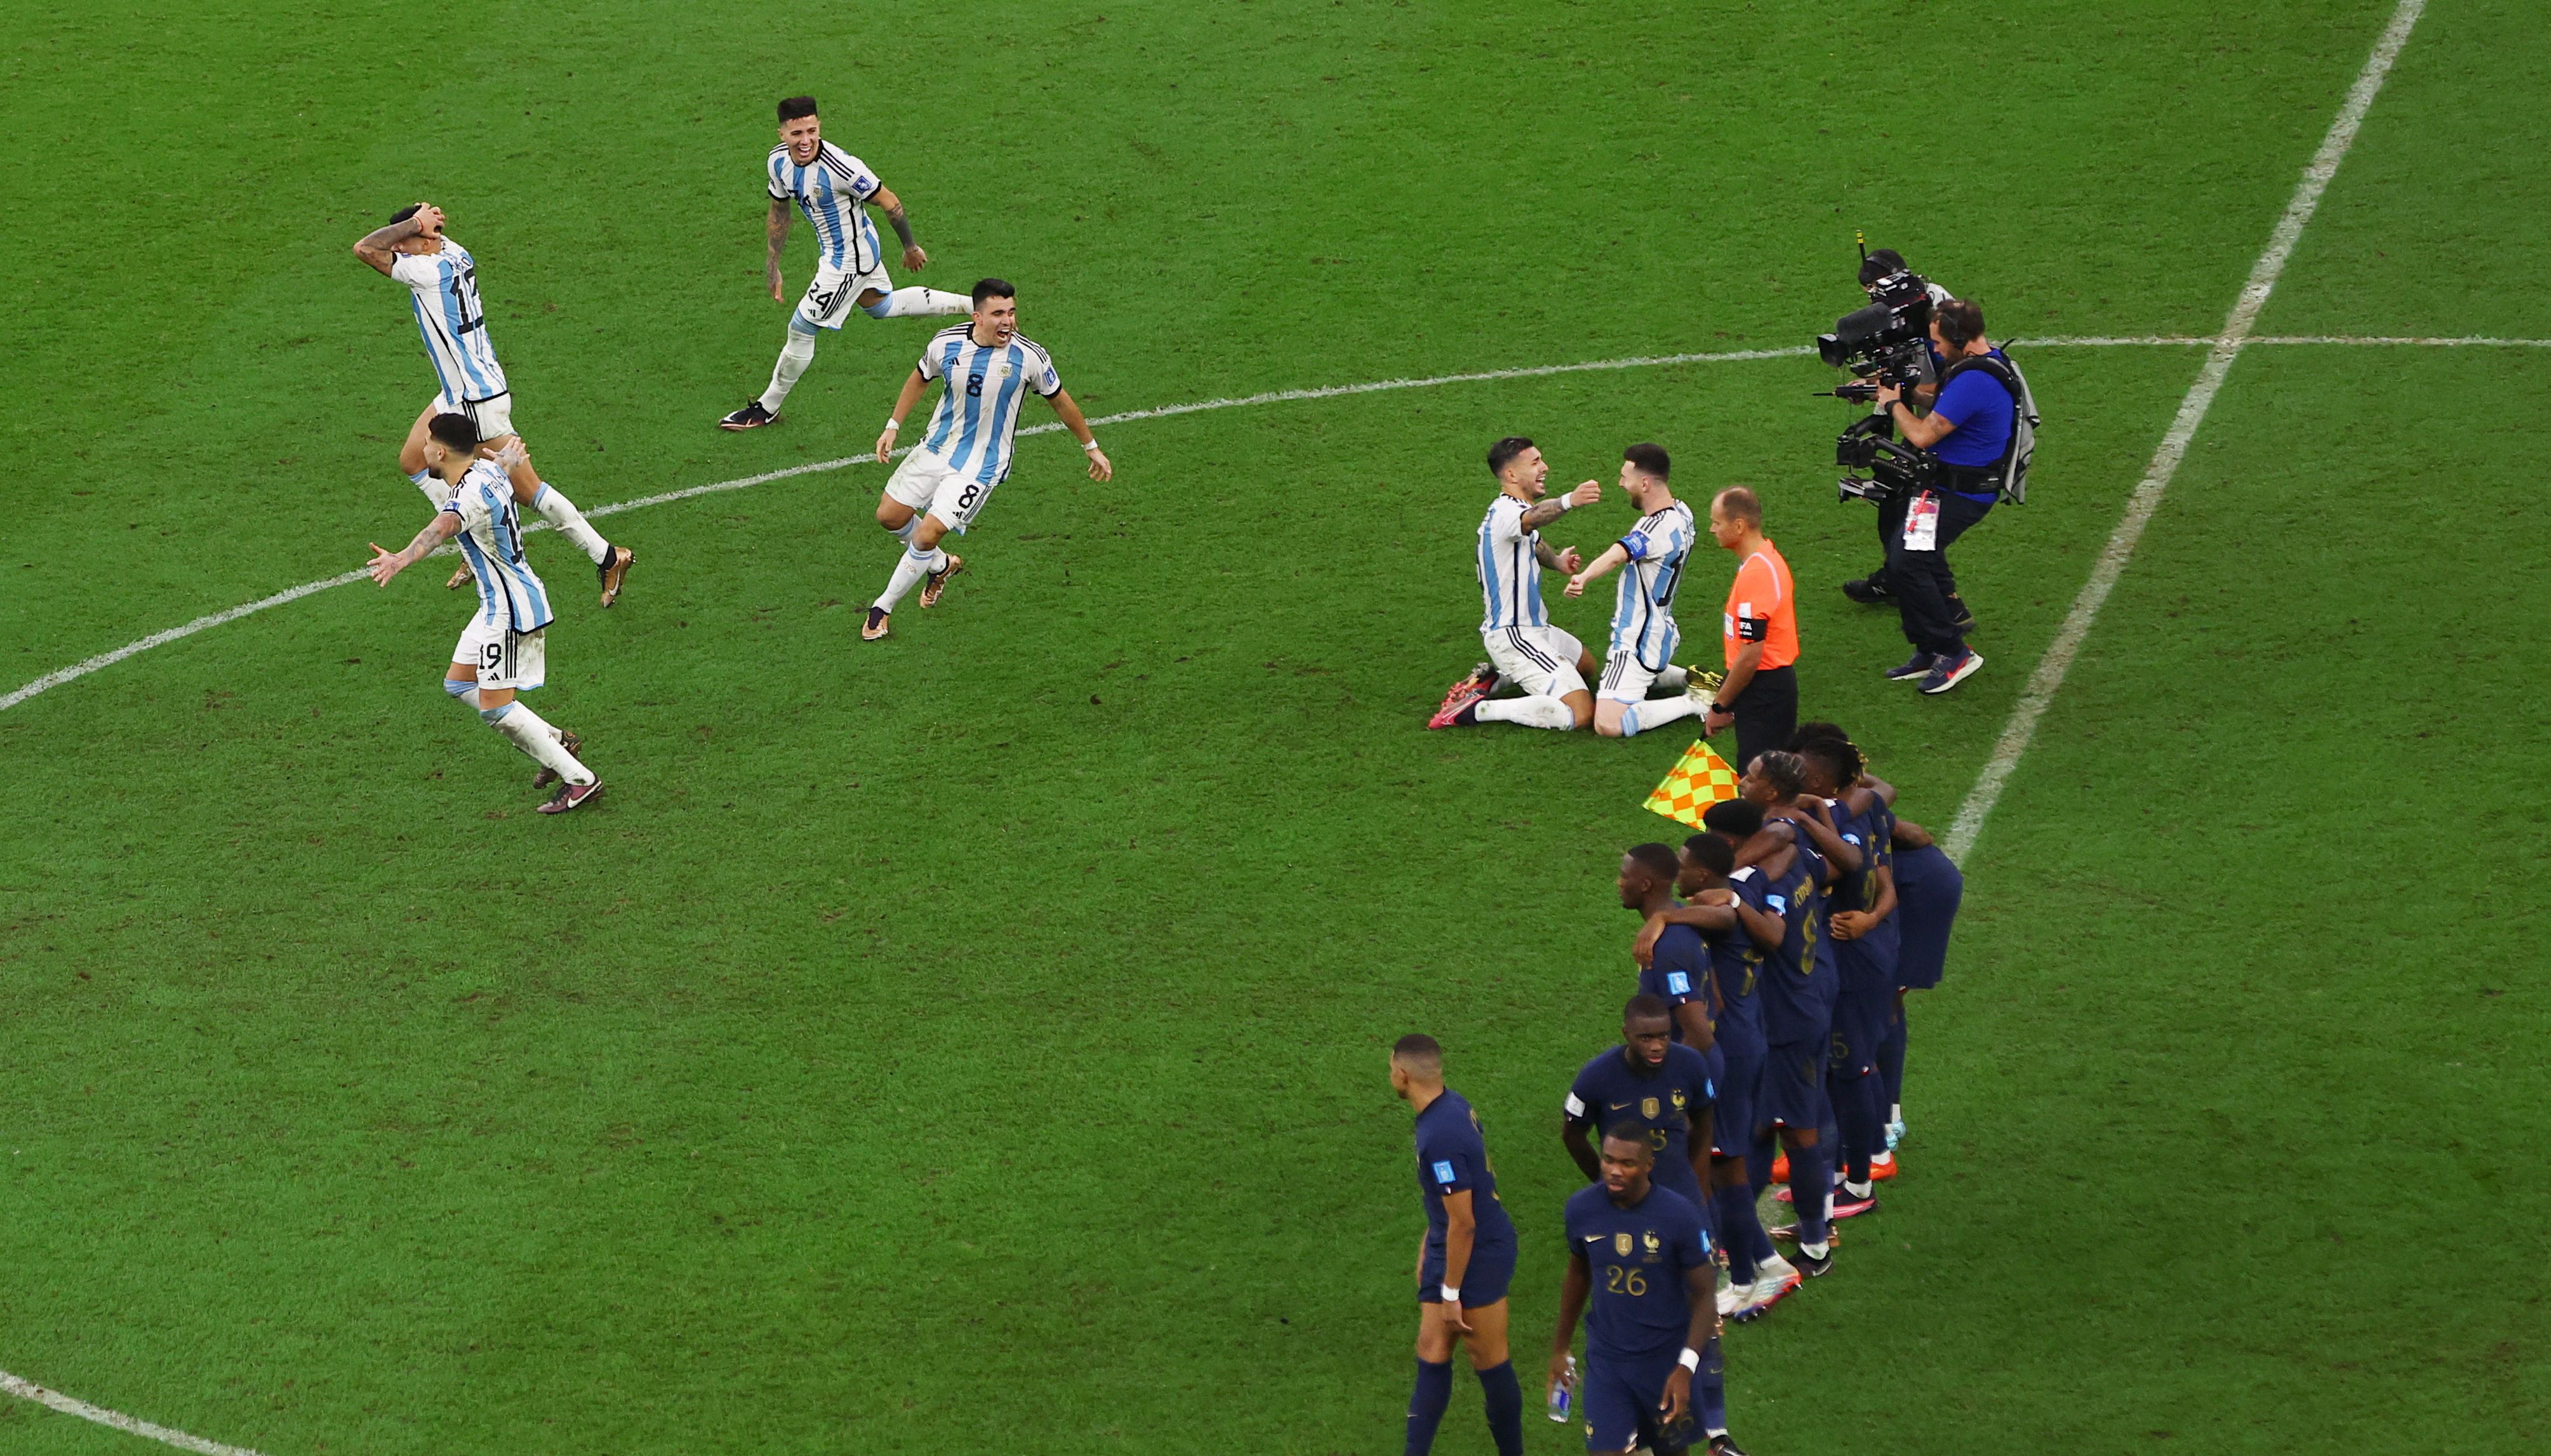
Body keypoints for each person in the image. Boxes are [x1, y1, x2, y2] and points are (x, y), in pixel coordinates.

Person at [352, 203, 635, 606]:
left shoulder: (426, 272)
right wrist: (421, 225)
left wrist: (416, 223)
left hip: (475, 401)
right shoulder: (455, 253)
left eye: (406, 241)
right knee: (414, 461)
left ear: (425, 240)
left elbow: (365, 249)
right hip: (462, 391)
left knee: (529, 490)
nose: (399, 249)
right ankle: (472, 545)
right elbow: (401, 243)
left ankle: (608, 556)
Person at [364, 414, 603, 813]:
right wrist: (510, 456)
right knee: (459, 684)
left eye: (428, 443)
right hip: (496, 603)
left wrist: (401, 559)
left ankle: (580, 780)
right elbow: (503, 466)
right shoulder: (487, 471)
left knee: (496, 708)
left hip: (510, 611)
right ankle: (557, 742)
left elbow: (441, 528)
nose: (424, 449)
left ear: (441, 452)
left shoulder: (468, 497)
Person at [859, 281, 1112, 641]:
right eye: (998, 314)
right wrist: (893, 425)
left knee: (928, 533)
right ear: (977, 317)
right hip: (937, 447)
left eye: (1011, 312)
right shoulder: (946, 343)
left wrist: (1091, 446)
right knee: (889, 516)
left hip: (982, 465)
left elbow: (1060, 400)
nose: (1008, 321)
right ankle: (941, 566)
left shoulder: (1029, 357)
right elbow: (920, 378)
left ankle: (881, 609)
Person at [718, 96, 974, 431]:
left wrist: (910, 247)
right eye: (797, 133)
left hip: (850, 260)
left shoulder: (841, 167)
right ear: (782, 134)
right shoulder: (777, 162)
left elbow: (890, 201)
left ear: (819, 127)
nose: (806, 140)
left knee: (801, 329)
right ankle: (976, 306)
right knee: (880, 306)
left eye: (812, 131)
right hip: (842, 250)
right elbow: (780, 211)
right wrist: (773, 264)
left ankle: (767, 408)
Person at [1634, 824, 1795, 1317]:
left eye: (1686, 865)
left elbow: (1702, 1028)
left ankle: (1750, 1276)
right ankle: (1761, 1264)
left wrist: (1664, 916)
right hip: (1739, 1040)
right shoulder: (1715, 908)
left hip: (1727, 1050)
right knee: (1723, 1168)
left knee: (1725, 1168)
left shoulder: (1686, 932)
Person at [1549, 1127, 1745, 1456]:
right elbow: (1578, 1274)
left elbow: (1704, 1295)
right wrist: (1560, 1347)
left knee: (1672, 1451)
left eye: (1627, 1163)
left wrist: (1685, 1367)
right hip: (1607, 1361)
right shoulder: (1581, 1209)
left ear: (1648, 1165)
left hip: (1664, 1362)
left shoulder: (1679, 1216)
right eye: (1608, 1160)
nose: (1614, 1170)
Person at [1390, 1034, 1526, 1456]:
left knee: (1488, 1358)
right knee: (1432, 1349)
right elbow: (1449, 1211)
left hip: (1480, 1251)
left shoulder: (1439, 1136)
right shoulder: (1451, 1106)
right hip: (1448, 1242)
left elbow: (1465, 1222)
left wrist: (1450, 1293)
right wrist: (1429, 1244)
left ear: (1403, 1074)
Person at [1874, 298, 2011, 694]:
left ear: (1959, 338)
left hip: (1962, 494)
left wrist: (1892, 404)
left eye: (1938, 342)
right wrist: (1903, 396)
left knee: (1908, 562)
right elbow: (1947, 408)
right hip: (1944, 488)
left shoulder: (1974, 379)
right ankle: (1930, 648)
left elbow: (1922, 435)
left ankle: (1953, 652)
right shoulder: (1983, 364)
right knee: (1907, 560)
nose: (1934, 350)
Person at [1429, 437, 1602, 730]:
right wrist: (1569, 501)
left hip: (1536, 629)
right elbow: (1533, 519)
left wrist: (1558, 562)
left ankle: (1492, 680)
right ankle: (1476, 710)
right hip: (1513, 634)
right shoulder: (1506, 512)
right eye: (1535, 463)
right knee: (1581, 713)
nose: (1544, 467)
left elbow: (1534, 542)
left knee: (1586, 666)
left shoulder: (1514, 511)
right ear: (1511, 475)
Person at [1793, 730, 1897, 1211]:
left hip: (1853, 961)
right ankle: (1843, 1168)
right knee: (1843, 1069)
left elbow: (1850, 867)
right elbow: (1885, 877)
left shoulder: (1839, 823)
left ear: (1818, 781)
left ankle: (1859, 1184)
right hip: (1858, 951)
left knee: (1850, 1069)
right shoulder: (1861, 805)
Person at [1562, 444, 1709, 738]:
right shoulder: (1682, 513)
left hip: (1636, 641)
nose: (1620, 483)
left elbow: (1618, 554)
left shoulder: (1653, 530)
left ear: (1645, 483)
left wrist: (1584, 577)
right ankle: (1692, 679)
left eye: (1624, 477)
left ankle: (1694, 702)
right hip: (1661, 630)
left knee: (1608, 724)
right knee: (1639, 676)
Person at [1841, 248, 1954, 609]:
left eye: (1875, 290)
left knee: (1915, 508)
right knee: (1900, 500)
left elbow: (1950, 386)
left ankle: (1937, 597)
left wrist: (1894, 395)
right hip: (1927, 418)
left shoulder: (1935, 315)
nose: (1873, 300)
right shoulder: (1911, 304)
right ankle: (1905, 580)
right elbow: (1902, 367)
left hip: (1943, 425)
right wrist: (1875, 387)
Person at [1562, 994, 1716, 1221]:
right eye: (1646, 1038)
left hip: (1681, 1193)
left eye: (1664, 1036)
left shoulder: (1691, 1065)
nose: (1657, 1046)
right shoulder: (1596, 1076)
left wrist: (1694, 1179)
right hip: (1625, 1201)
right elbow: (1572, 1135)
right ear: (1626, 1034)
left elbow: (1704, 1123)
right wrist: (1605, 1179)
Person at [1698, 488, 1798, 774]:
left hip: (1764, 691)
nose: (1712, 530)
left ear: (1739, 526)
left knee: (1759, 783)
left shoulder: (1758, 573)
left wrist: (1720, 706)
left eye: (1717, 522)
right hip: (1761, 687)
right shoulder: (1760, 561)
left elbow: (1751, 654)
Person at [1884, 812, 1963, 1150]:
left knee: (1877, 1004)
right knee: (1882, 1002)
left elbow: (1917, 836)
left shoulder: (1837, 808)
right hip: (1894, 890)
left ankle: (1883, 1121)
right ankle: (1887, 1114)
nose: (1745, 787)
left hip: (1916, 892)